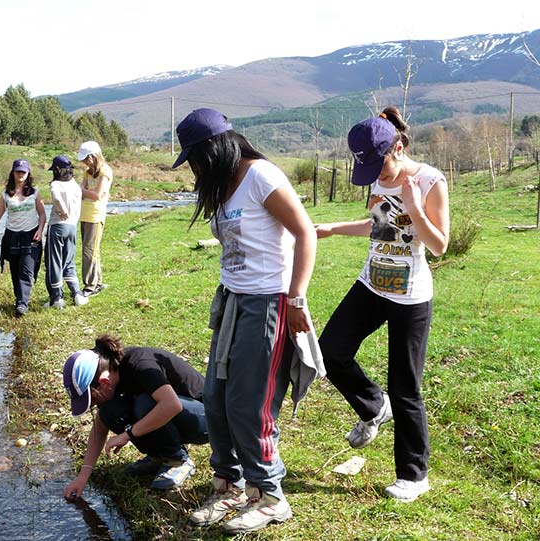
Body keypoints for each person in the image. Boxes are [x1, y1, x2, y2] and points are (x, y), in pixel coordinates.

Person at [173, 108, 317, 534]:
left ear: (213, 149)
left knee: (249, 404)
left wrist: (295, 298)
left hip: (268, 303)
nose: (194, 169)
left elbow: (304, 233)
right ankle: (229, 485)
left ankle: (270, 495)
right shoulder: (221, 184)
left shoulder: (261, 176)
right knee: (215, 398)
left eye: (194, 159)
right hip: (232, 300)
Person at [315, 107, 449, 503]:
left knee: (405, 386)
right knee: (330, 352)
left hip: (410, 297)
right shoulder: (378, 179)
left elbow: (439, 245)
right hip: (372, 285)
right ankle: (374, 407)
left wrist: (415, 206)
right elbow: (380, 226)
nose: (378, 176)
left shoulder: (430, 181)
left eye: (382, 167)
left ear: (400, 147)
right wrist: (334, 229)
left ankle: (413, 474)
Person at [63, 334, 208, 500]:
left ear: (104, 382)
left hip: (205, 418)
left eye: (93, 399)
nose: (93, 405)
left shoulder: (140, 364)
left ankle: (177, 460)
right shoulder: (111, 374)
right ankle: (158, 456)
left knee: (145, 403)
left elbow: (172, 405)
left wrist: (127, 435)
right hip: (175, 414)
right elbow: (100, 428)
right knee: (110, 411)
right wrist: (82, 477)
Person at [0, 158, 46, 316]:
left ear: (28, 173)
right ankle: (19, 299)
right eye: (18, 171)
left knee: (27, 270)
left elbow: (42, 214)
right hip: (12, 236)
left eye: (23, 171)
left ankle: (22, 304)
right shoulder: (6, 194)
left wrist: (40, 230)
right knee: (15, 270)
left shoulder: (35, 193)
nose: (21, 174)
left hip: (31, 235)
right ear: (13, 173)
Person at [44, 155, 88, 309]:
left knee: (54, 262)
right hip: (72, 227)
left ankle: (57, 299)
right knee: (68, 260)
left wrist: (62, 209)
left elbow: (56, 198)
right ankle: (77, 294)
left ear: (56, 170)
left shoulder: (56, 184)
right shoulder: (75, 185)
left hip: (57, 226)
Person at [77, 141, 113, 297]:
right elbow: (81, 190)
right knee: (91, 250)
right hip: (84, 214)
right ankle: (97, 282)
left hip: (96, 215)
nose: (85, 162)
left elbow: (97, 195)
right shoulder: (87, 171)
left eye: (86, 159)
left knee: (89, 251)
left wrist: (85, 191)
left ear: (94, 157)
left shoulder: (105, 172)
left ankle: (90, 286)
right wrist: (86, 191)